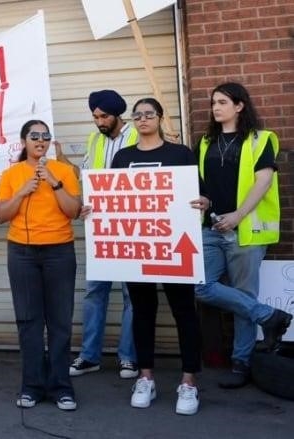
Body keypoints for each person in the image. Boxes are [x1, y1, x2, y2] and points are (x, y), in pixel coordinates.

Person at [191, 82, 292, 389]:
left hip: (246, 230)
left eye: (222, 101)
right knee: (200, 285)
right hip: (212, 228)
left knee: (242, 296)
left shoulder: (261, 139)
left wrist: (238, 215)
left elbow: (263, 182)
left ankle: (242, 362)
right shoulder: (206, 143)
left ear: (239, 106)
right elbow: (203, 186)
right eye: (213, 102)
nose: (215, 107)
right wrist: (206, 201)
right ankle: (270, 316)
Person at [109, 97, 202, 415]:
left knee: (183, 311)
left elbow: (196, 193)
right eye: (138, 115)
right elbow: (115, 197)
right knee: (142, 311)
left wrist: (204, 202)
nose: (143, 119)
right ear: (133, 120)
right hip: (138, 247)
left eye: (149, 114)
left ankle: (189, 381)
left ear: (161, 118)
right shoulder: (123, 157)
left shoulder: (180, 154)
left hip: (175, 246)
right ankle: (145, 376)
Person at [0, 120, 82, 411]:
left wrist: (53, 182)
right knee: (29, 322)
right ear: (24, 142)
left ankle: (60, 387)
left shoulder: (65, 171)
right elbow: (0, 215)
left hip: (59, 251)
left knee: (59, 321)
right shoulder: (11, 174)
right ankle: (31, 386)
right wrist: (21, 192)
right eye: (35, 136)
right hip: (22, 253)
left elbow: (73, 211)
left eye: (45, 136)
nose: (41, 140)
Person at [65, 89, 139, 379]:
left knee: (132, 294)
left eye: (104, 116)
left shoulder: (136, 136)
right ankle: (89, 356)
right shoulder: (94, 139)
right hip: (100, 228)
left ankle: (128, 357)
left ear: (117, 114)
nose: (99, 122)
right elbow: (88, 177)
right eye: (95, 116)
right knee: (96, 292)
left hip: (133, 227)